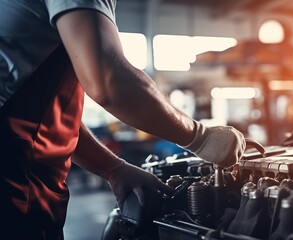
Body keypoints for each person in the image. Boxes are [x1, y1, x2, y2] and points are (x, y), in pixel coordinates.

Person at [0, 1, 246, 239]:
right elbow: (108, 80)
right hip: (14, 186)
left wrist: (113, 168)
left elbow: (45, 119)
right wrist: (200, 137)